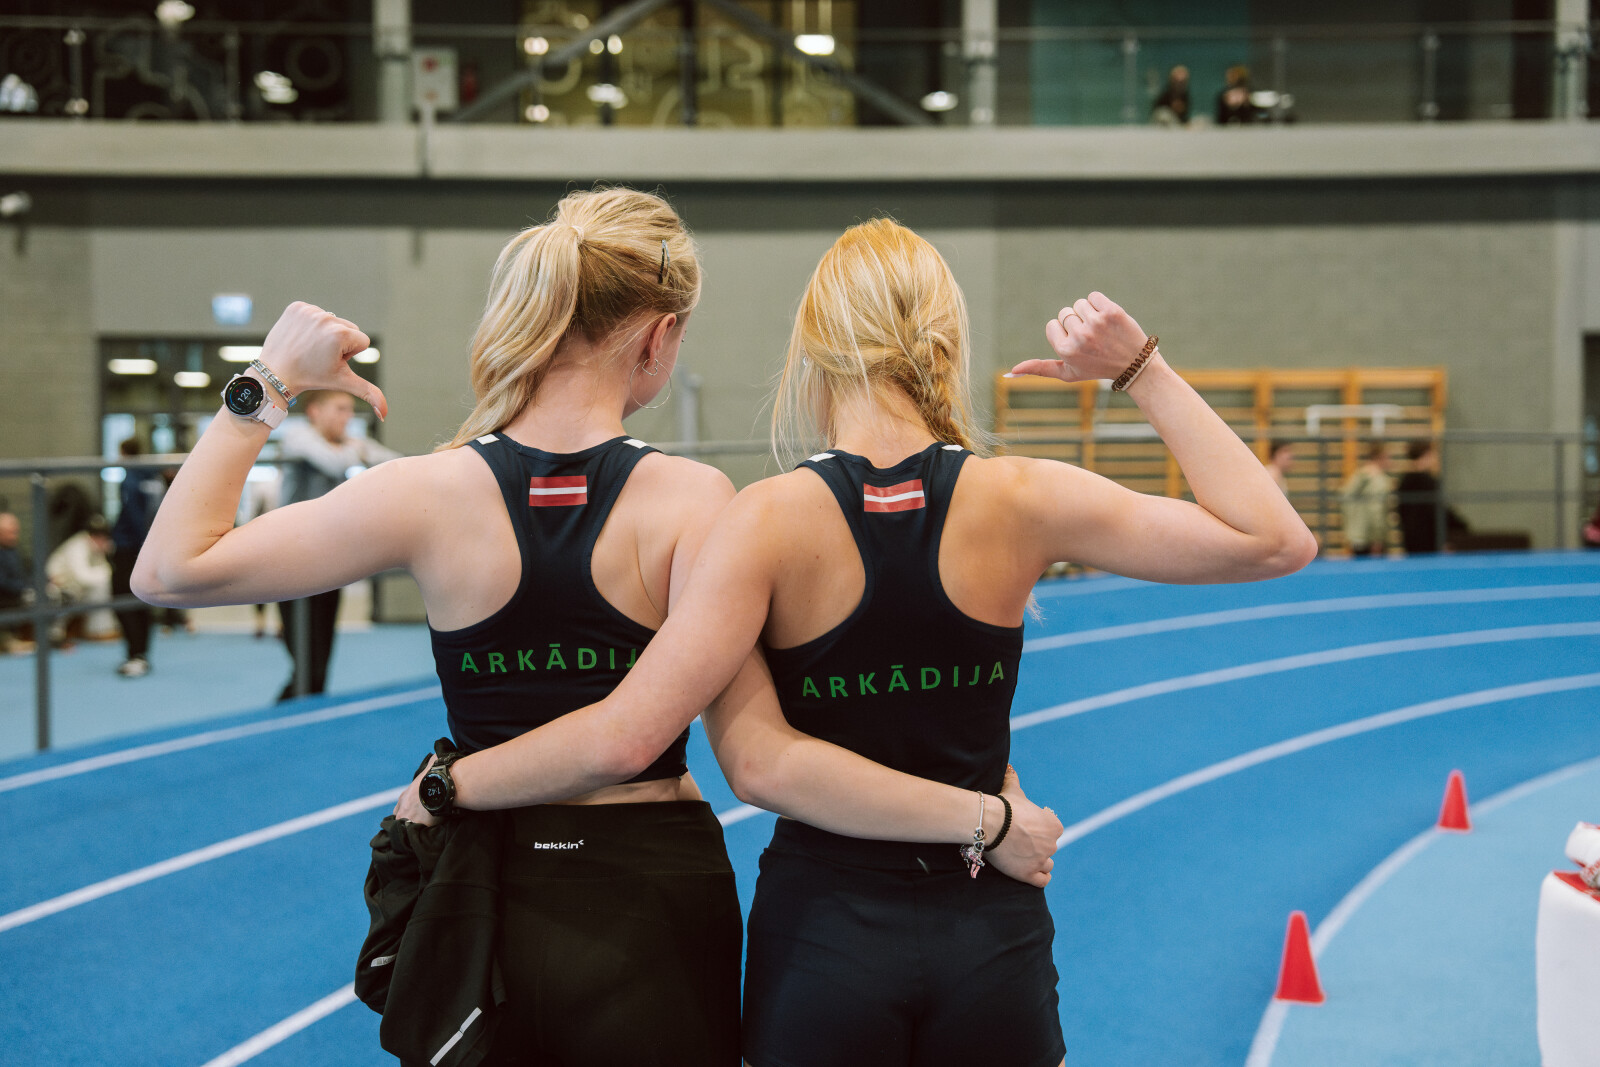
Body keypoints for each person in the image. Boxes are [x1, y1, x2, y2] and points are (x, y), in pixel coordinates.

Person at [134, 189, 1060, 1066]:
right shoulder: (695, 501)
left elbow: (167, 570)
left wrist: (267, 384)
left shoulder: (426, 491)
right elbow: (726, 742)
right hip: (650, 895)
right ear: (658, 338)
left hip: (488, 887)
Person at [410, 220, 1317, 1067]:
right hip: (987, 929)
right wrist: (1141, 369)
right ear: (945, 341)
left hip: (825, 933)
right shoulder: (1022, 497)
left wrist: (452, 783)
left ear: (811, 348)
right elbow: (1275, 539)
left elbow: (751, 763)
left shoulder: (762, 521)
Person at [274, 388, 401, 701]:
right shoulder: (297, 436)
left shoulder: (346, 442)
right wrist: (357, 451)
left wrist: (357, 450)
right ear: (315, 411)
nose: (347, 417)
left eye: (349, 410)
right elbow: (333, 463)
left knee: (321, 653)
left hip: (328, 556)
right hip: (290, 557)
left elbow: (394, 463)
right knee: (305, 656)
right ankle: (288, 708)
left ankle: (306, 707)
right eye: (340, 409)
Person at [110, 438, 164, 677]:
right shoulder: (153, 477)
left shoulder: (130, 479)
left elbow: (133, 516)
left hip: (131, 548)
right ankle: (141, 654)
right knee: (142, 599)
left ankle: (135, 655)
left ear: (123, 454)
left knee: (123, 600)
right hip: (148, 546)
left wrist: (143, 544)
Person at [46, 514, 114, 645]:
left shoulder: (98, 548)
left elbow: (100, 572)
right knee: (67, 596)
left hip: (76, 587)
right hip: (56, 585)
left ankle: (99, 630)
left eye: (103, 535)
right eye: (96, 534)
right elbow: (83, 576)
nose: (100, 538)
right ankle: (55, 634)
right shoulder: (78, 546)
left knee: (101, 587)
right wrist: (109, 572)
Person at [1396, 440, 1467, 554]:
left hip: (1411, 541)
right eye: (1434, 454)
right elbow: (1438, 511)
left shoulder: (1404, 481)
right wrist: (1461, 526)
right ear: (1427, 454)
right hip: (1429, 541)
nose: (1435, 458)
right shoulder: (1428, 482)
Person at [1340, 441, 1393, 557]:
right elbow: (1376, 510)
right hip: (1370, 538)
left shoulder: (1357, 476)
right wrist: (1377, 538)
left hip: (1356, 535)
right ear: (1381, 458)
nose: (1391, 461)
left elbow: (1344, 501)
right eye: (1388, 457)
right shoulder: (1379, 480)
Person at [0, 511, 29, 653]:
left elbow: (27, 570)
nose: (14, 536)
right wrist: (25, 588)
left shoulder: (14, 550)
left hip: (17, 592)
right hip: (5, 596)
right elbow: (2, 582)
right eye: (10, 532)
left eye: (16, 532)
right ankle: (6, 639)